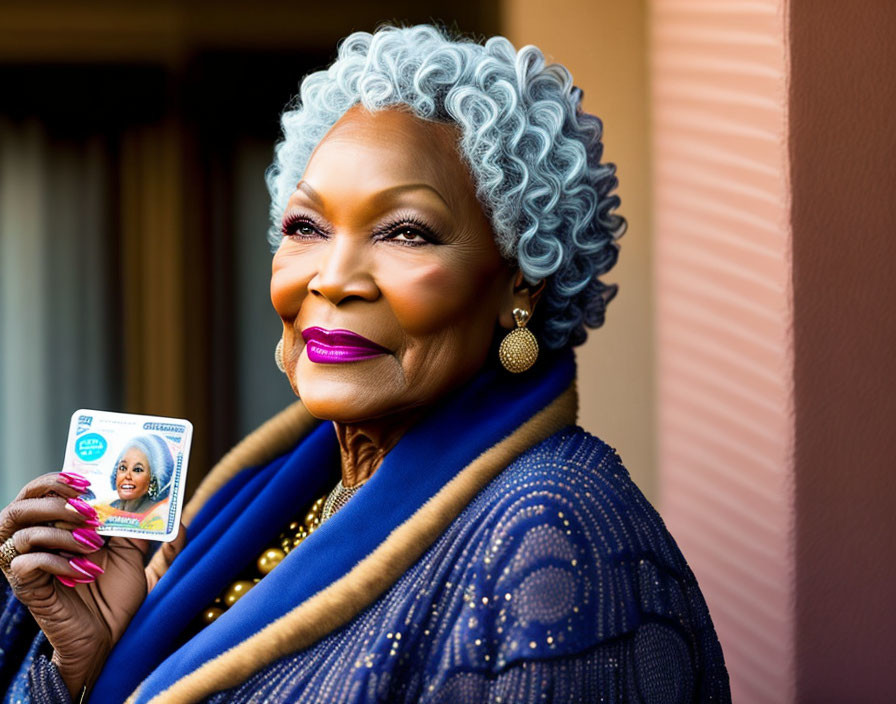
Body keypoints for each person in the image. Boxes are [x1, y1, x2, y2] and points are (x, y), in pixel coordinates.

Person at [0, 24, 730, 703]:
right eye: (306, 227)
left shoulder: (557, 529)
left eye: (405, 232)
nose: (333, 278)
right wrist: (85, 664)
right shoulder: (282, 491)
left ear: (521, 281)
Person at [106, 435, 174, 515]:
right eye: (123, 468)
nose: (127, 476)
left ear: (153, 478)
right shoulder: (108, 509)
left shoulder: (158, 514)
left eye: (137, 470)